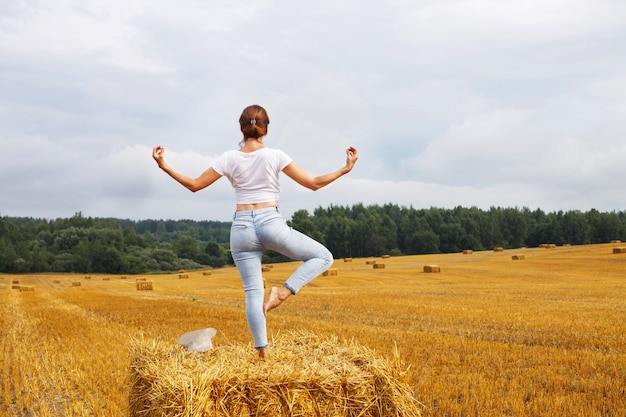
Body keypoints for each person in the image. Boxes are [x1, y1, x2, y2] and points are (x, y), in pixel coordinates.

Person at [152, 104, 358, 358]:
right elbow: (313, 184)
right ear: (266, 129)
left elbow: (195, 185)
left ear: (241, 128)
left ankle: (263, 354)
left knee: (252, 292)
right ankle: (282, 292)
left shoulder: (228, 158)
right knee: (323, 256)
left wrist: (165, 166)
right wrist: (345, 169)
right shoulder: (276, 155)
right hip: (270, 222)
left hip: (241, 228)